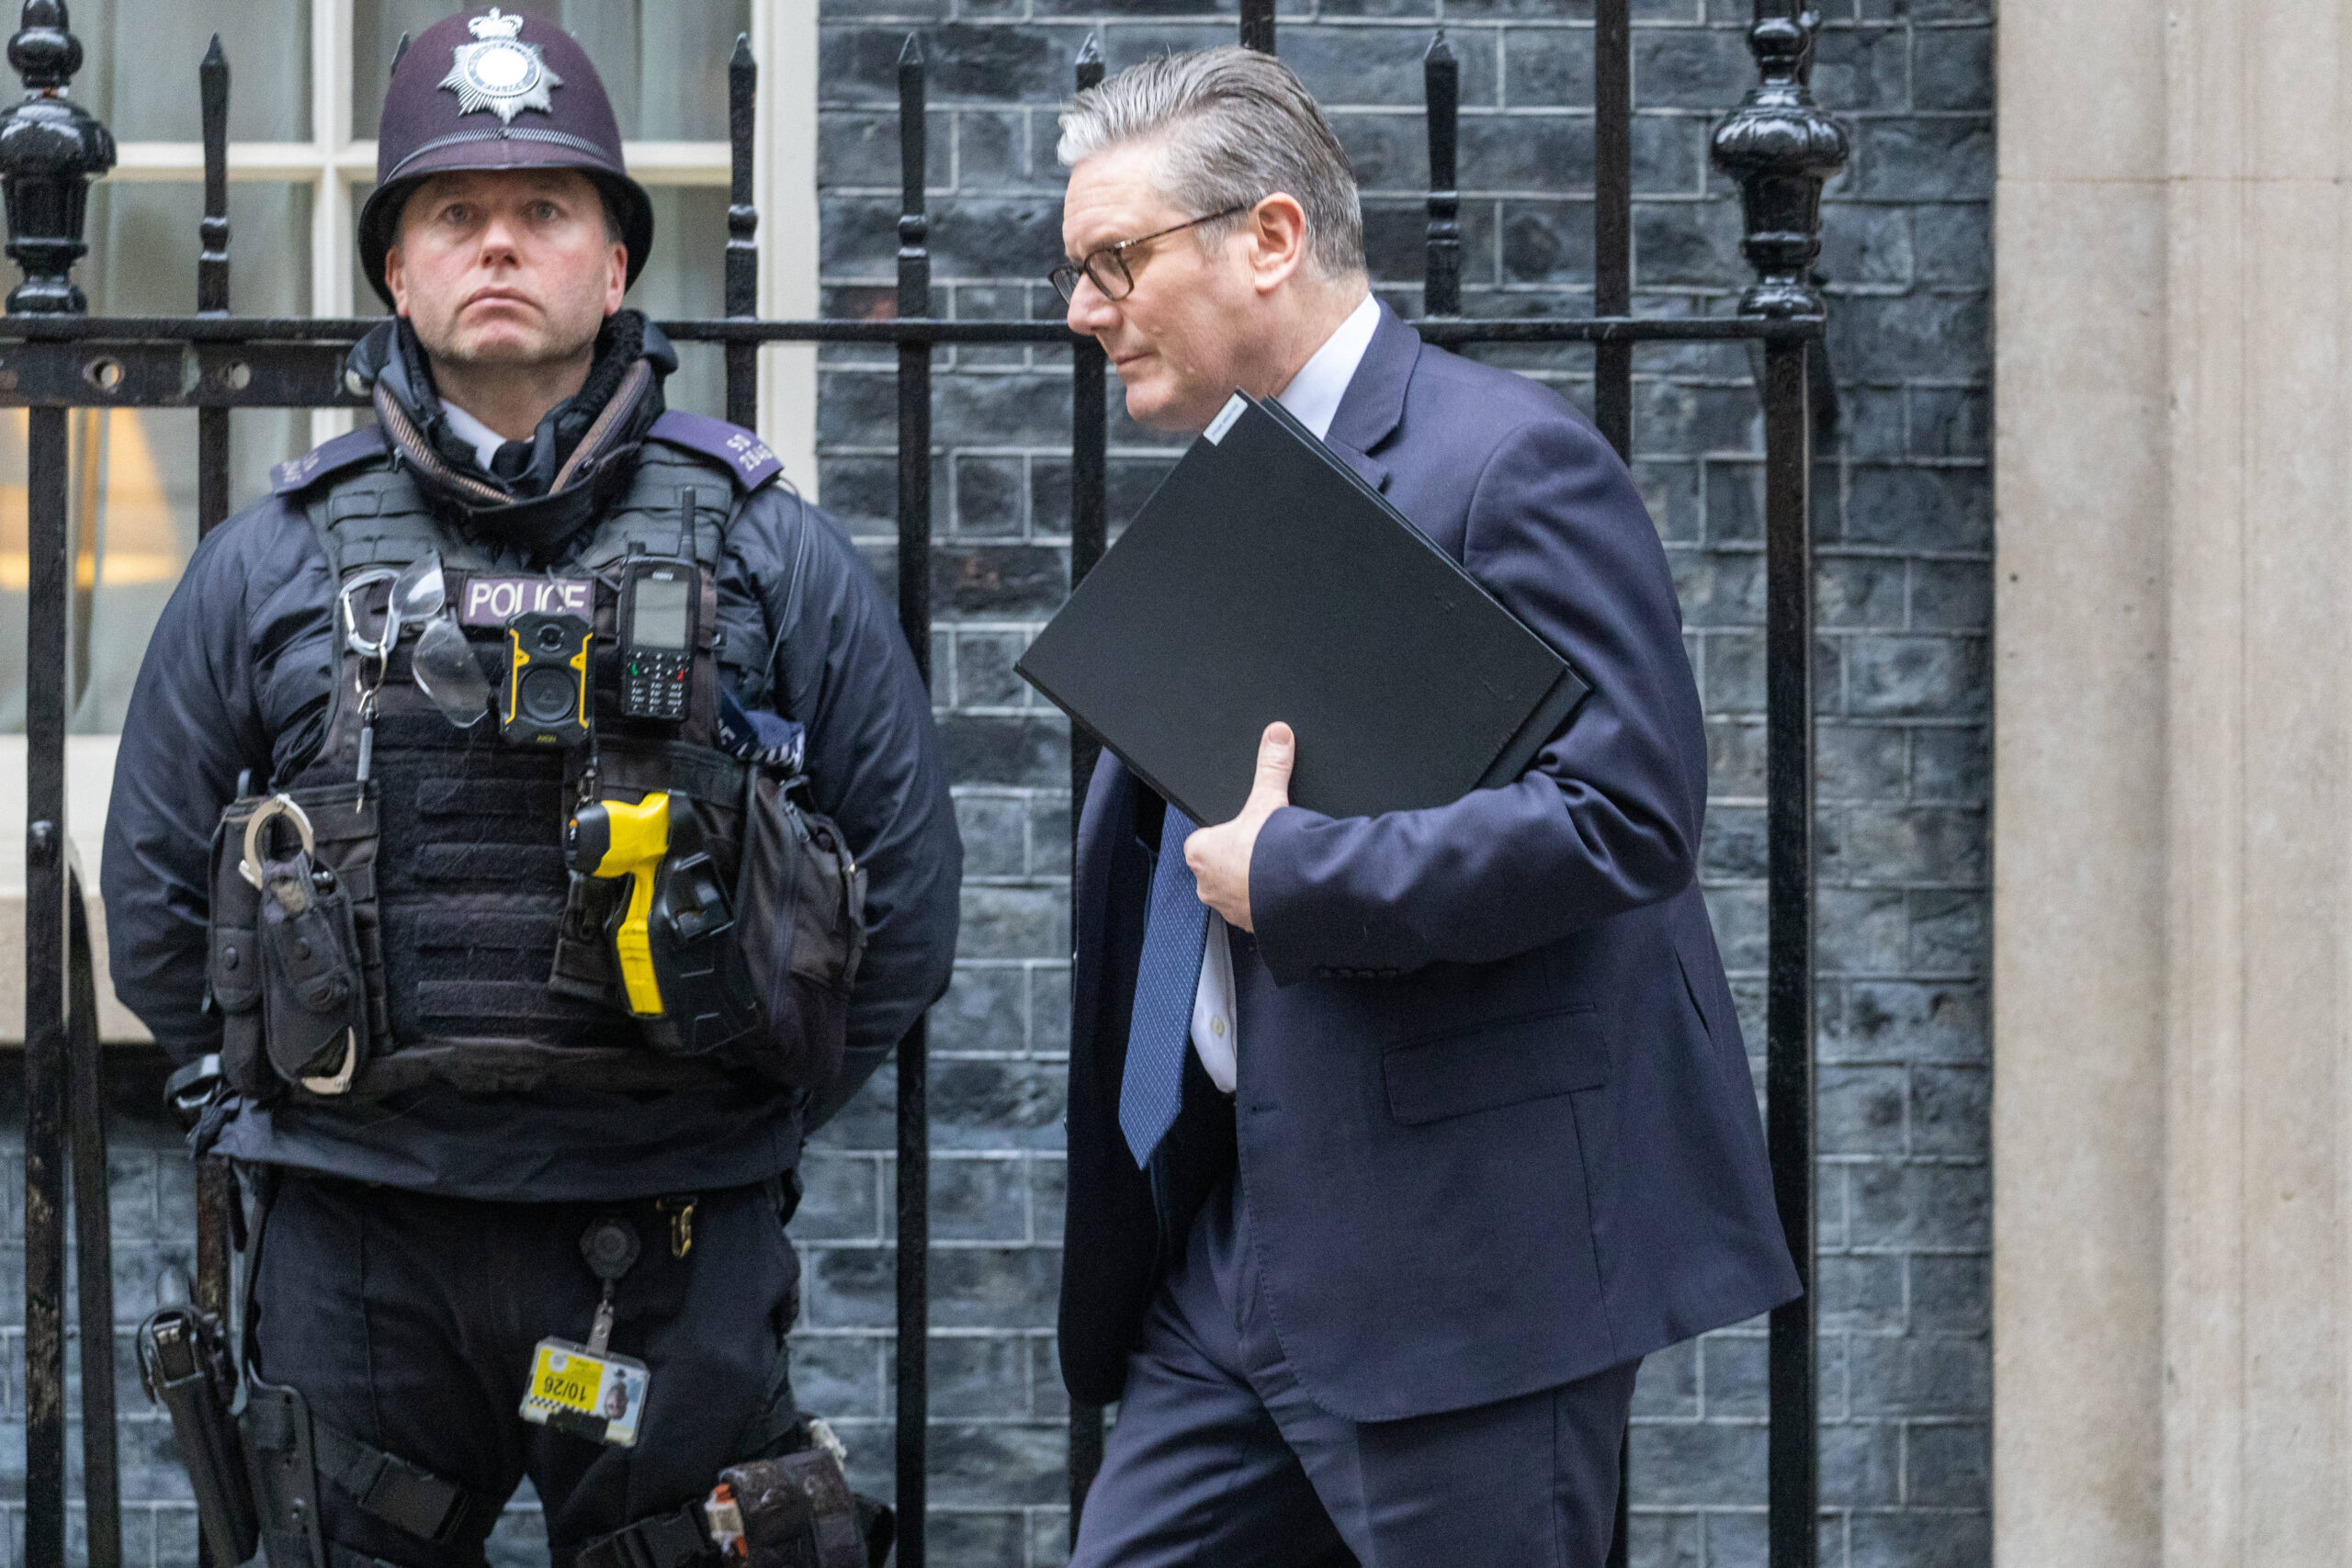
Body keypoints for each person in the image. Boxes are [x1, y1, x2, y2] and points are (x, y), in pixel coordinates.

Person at [100, 11, 959, 1567]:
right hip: (360, 1240)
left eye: (545, 211)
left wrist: (737, 1105)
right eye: (454, 213)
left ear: (615, 263)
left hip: (667, 1235)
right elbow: (154, 898)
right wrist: (284, 1109)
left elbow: (905, 899)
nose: (499, 243)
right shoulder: (273, 560)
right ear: (397, 270)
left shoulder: (767, 548)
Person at [1051, 48, 1800, 1567]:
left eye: (1114, 261)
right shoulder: (1228, 491)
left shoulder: (1507, 464)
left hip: (1468, 1262)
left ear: (1268, 238)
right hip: (1235, 1247)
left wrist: (1305, 877)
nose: (1083, 309)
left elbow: (1626, 816)